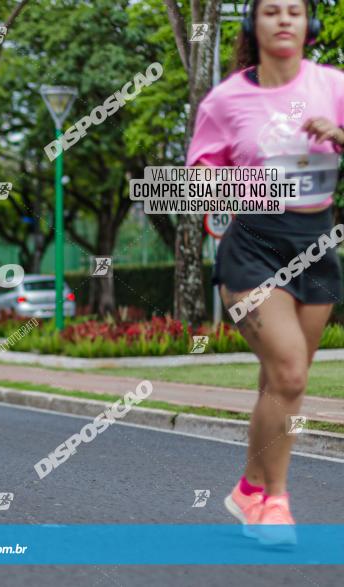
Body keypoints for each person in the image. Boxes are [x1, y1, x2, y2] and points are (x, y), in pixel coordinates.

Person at [187, 0, 344, 546]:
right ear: (254, 25)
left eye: (294, 11)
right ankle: (274, 501)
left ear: (309, 25)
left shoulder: (334, 85)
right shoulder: (227, 99)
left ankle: (249, 489)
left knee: (281, 383)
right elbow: (197, 180)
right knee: (291, 371)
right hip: (253, 243)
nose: (283, 19)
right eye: (271, 10)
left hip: (318, 241)